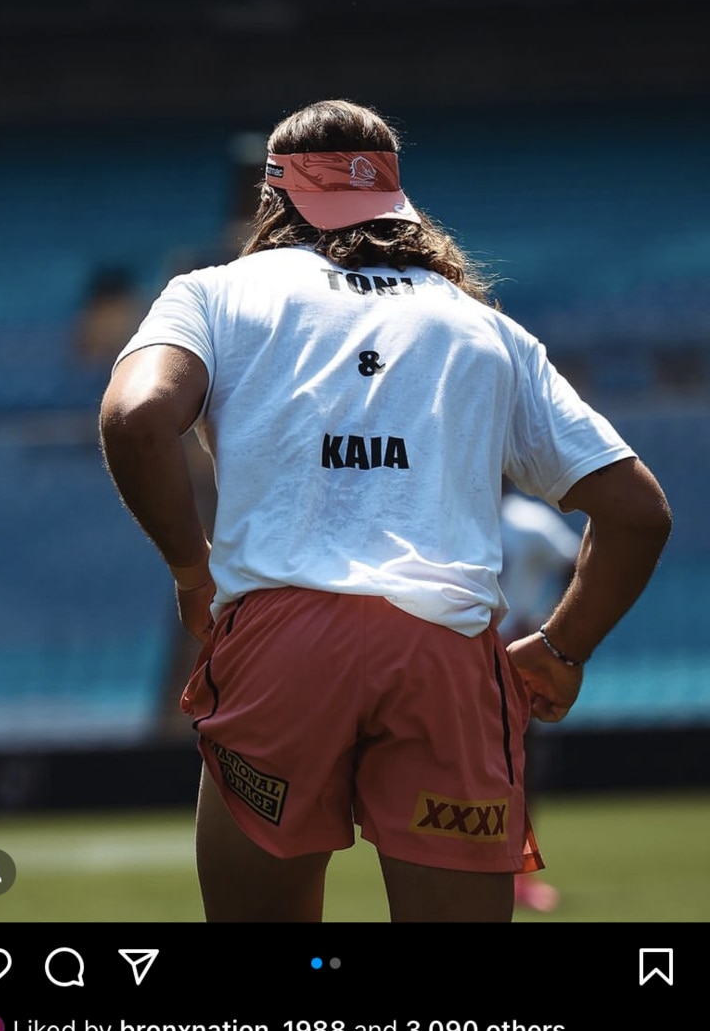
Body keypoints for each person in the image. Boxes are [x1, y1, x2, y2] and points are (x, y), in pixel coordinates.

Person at [99, 99, 671, 924]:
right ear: (397, 206)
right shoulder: (486, 329)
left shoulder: (212, 295)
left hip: (279, 646)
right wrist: (562, 648)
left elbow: (135, 416)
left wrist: (193, 573)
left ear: (272, 200)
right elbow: (638, 514)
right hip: (446, 654)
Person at [499, 491, 582, 913]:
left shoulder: (527, 522)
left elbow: (576, 564)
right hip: (449, 659)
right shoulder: (439, 508)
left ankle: (517, 875)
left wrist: (552, 627)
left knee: (520, 769)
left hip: (511, 660)